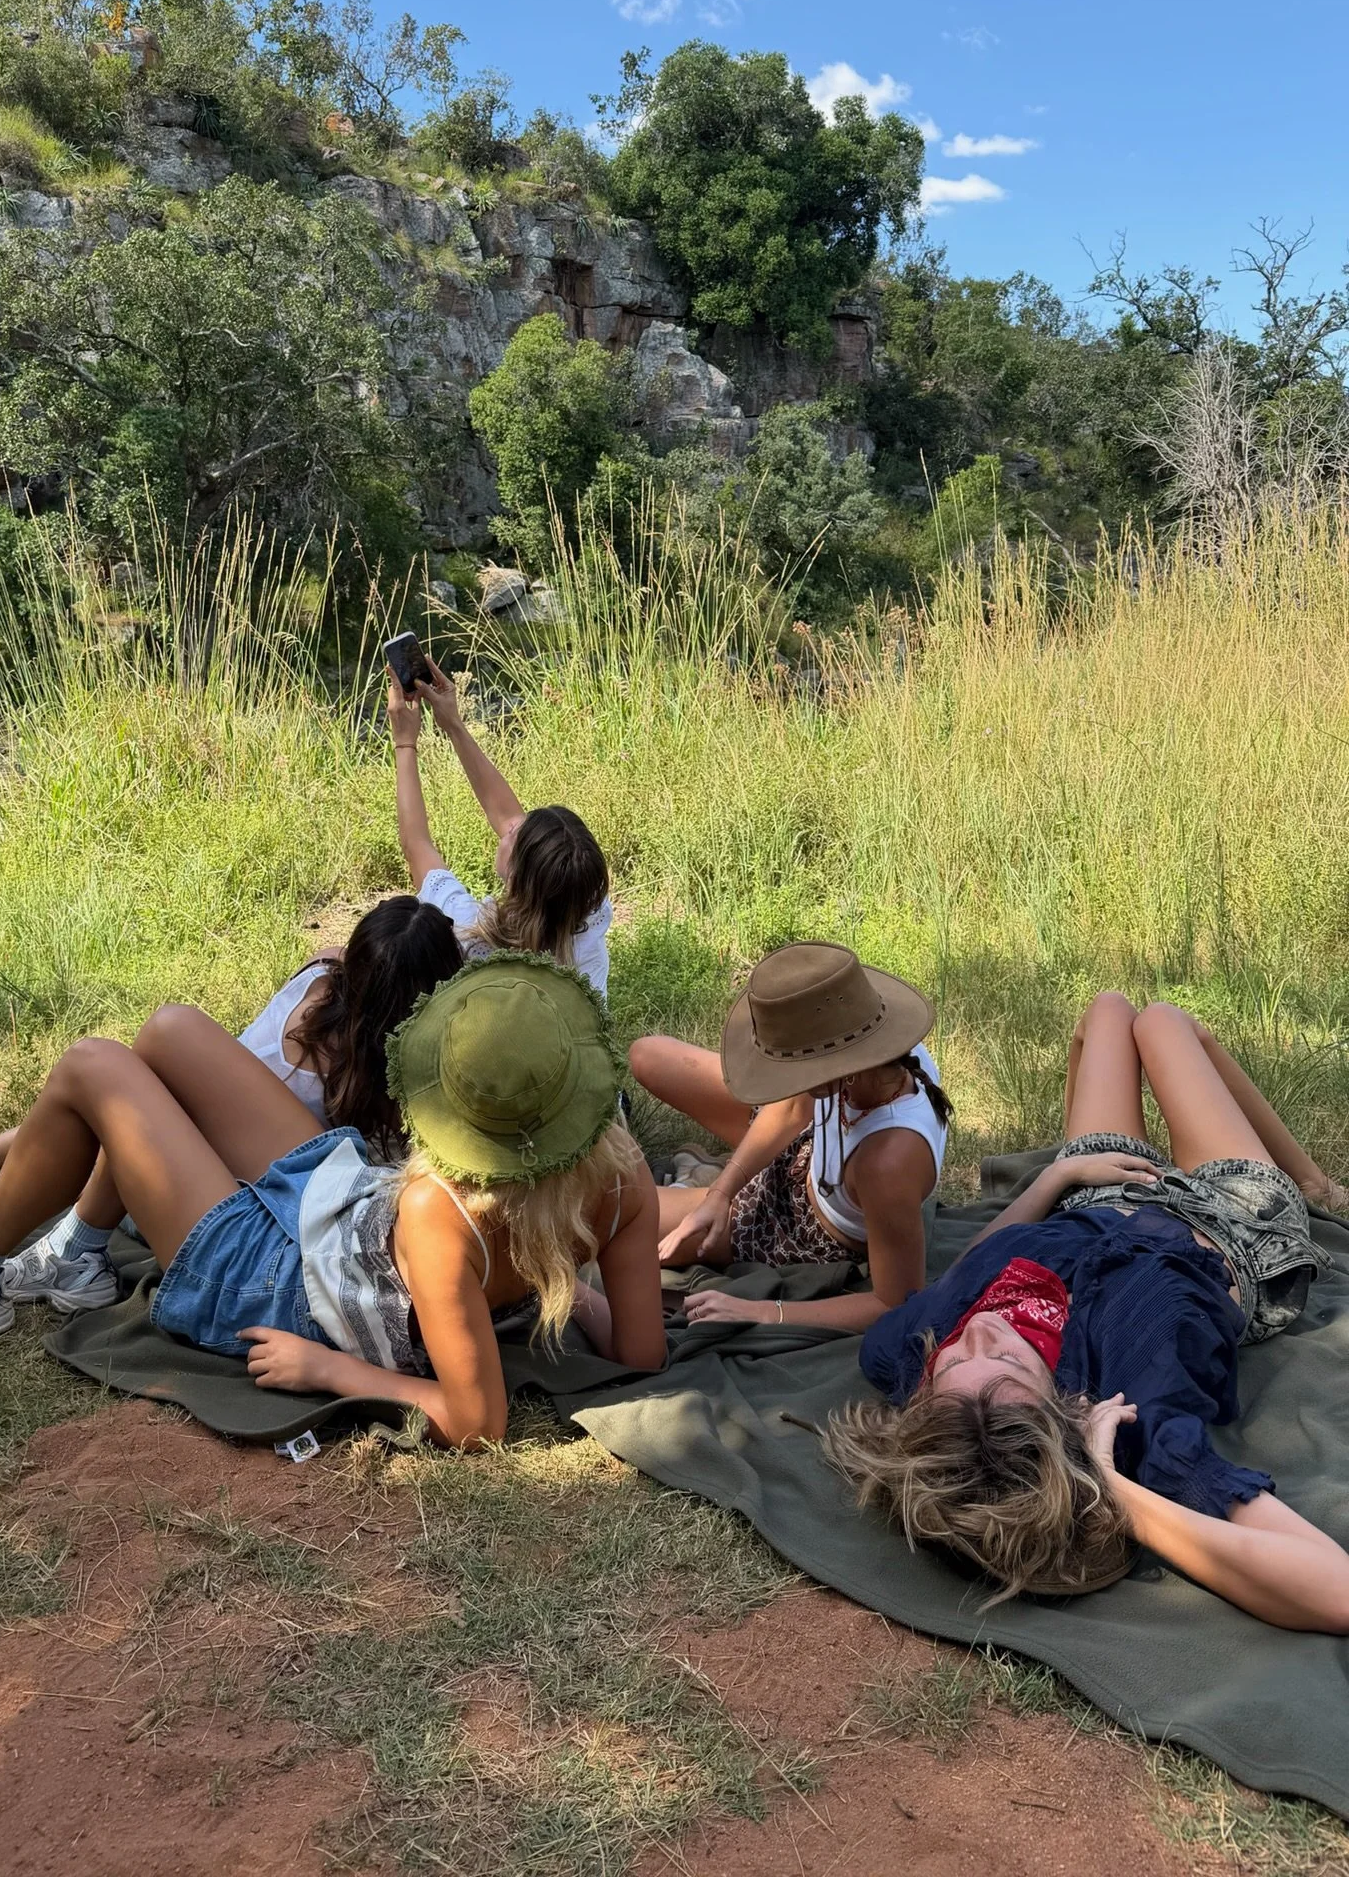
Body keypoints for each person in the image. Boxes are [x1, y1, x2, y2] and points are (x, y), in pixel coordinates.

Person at [0, 954, 666, 1447]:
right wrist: (570, 1287)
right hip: (349, 1195)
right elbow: (641, 1352)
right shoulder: (625, 1177)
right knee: (170, 1031)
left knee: (93, 1066)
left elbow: (478, 1421)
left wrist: (331, 1372)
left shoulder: (442, 1209)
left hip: (279, 1284)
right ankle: (76, 1257)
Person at [815, 991, 1349, 1632]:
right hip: (1232, 1220)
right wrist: (1110, 1483)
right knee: (1163, 1024)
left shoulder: (905, 1350)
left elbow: (969, 1274)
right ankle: (1312, 1186)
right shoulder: (1136, 1407)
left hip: (1095, 1191)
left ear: (924, 1387)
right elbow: (1336, 1591)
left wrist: (1054, 1177)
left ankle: (1300, 1177)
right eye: (1011, 1359)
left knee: (1104, 1012)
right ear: (1066, 1407)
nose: (983, 1331)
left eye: (957, 1357)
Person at [0, 897, 463, 1315]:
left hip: (270, 1210)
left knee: (105, 1070)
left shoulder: (323, 993)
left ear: (353, 972)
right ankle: (72, 1247)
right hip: (317, 1185)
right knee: (158, 1040)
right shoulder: (419, 1074)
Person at [634, 944, 950, 1326]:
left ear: (832, 1072)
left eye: (786, 1070)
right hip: (808, 1139)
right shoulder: (869, 1043)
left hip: (796, 1223)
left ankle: (701, 1188)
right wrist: (721, 1192)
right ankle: (707, 1182)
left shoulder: (887, 1164)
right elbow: (794, 1108)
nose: (778, 1081)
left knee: (610, 1214)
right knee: (649, 1056)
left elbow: (893, 1303)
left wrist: (759, 1311)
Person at [387, 656, 613, 995]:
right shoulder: (590, 909)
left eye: (515, 836)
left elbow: (417, 845)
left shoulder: (471, 935)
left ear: (519, 877)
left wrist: (404, 742)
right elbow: (511, 820)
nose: (510, 826)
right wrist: (453, 725)